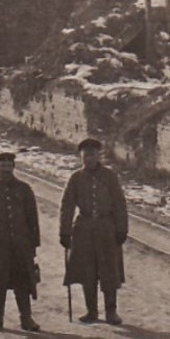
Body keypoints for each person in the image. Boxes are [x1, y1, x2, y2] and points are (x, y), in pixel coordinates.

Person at [59, 137, 128, 325]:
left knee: (109, 270)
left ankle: (111, 312)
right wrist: (65, 232)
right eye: (85, 156)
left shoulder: (110, 177)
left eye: (93, 155)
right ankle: (91, 311)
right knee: (87, 271)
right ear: (81, 157)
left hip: (107, 229)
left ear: (99, 156)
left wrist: (121, 229)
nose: (89, 159)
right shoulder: (75, 178)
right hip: (84, 230)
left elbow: (120, 204)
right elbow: (67, 206)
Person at [0, 151, 41, 332]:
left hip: (21, 246)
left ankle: (26, 319)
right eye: (2, 166)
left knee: (23, 283)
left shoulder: (24, 189)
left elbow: (32, 219)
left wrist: (34, 245)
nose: (5, 170)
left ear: (14, 168)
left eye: (8, 166)